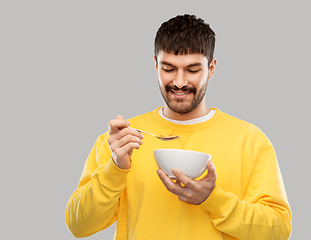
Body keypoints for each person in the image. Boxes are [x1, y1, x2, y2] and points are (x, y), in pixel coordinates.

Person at [66, 14, 292, 240]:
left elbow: (279, 231)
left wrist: (212, 199)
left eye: (193, 70)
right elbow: (79, 226)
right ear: (155, 64)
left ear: (211, 68)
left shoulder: (250, 140)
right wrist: (115, 168)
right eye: (168, 68)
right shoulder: (121, 140)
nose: (180, 82)